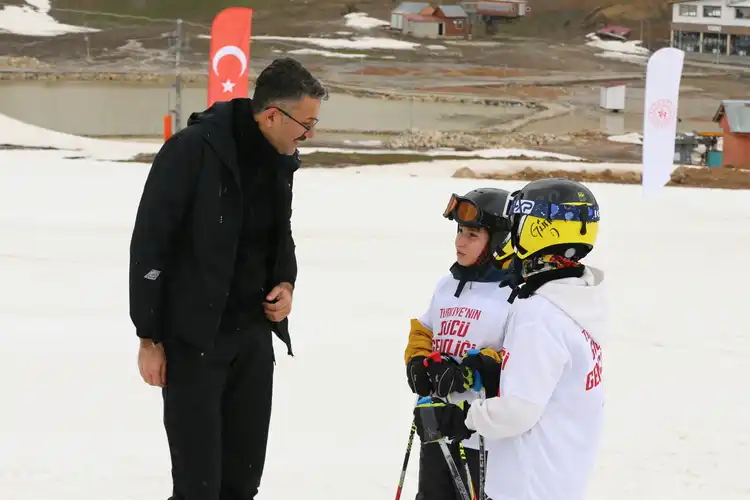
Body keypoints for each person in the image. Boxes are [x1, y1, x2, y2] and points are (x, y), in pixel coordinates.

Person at [128, 57, 327, 500]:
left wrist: (286, 284)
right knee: (199, 487)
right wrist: (149, 337)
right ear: (272, 115)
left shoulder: (280, 159)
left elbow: (281, 234)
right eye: (307, 123)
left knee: (241, 483)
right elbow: (150, 247)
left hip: (253, 340)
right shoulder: (192, 150)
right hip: (194, 342)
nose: (310, 134)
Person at [412, 178, 606, 500]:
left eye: (518, 224)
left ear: (538, 231)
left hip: (527, 481)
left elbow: (518, 411)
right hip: (553, 475)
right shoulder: (574, 304)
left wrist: (459, 416)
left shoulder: (540, 316)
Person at [404, 187, 516, 500]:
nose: (459, 242)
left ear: (498, 242)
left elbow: (518, 355)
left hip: (482, 434)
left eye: (472, 234)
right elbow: (424, 330)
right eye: (459, 232)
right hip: (436, 421)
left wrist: (473, 370)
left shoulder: (513, 295)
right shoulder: (448, 284)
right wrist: (417, 360)